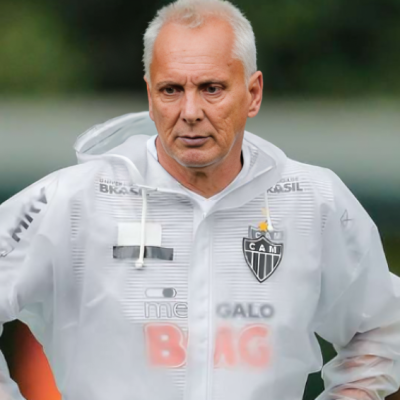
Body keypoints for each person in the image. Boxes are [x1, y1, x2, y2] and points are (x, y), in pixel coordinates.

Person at [1, 0, 400, 399]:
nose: (190, 111)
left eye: (212, 89)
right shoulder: (72, 201)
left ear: (253, 93)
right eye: (171, 90)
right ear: (150, 96)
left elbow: (383, 328)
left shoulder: (314, 202)